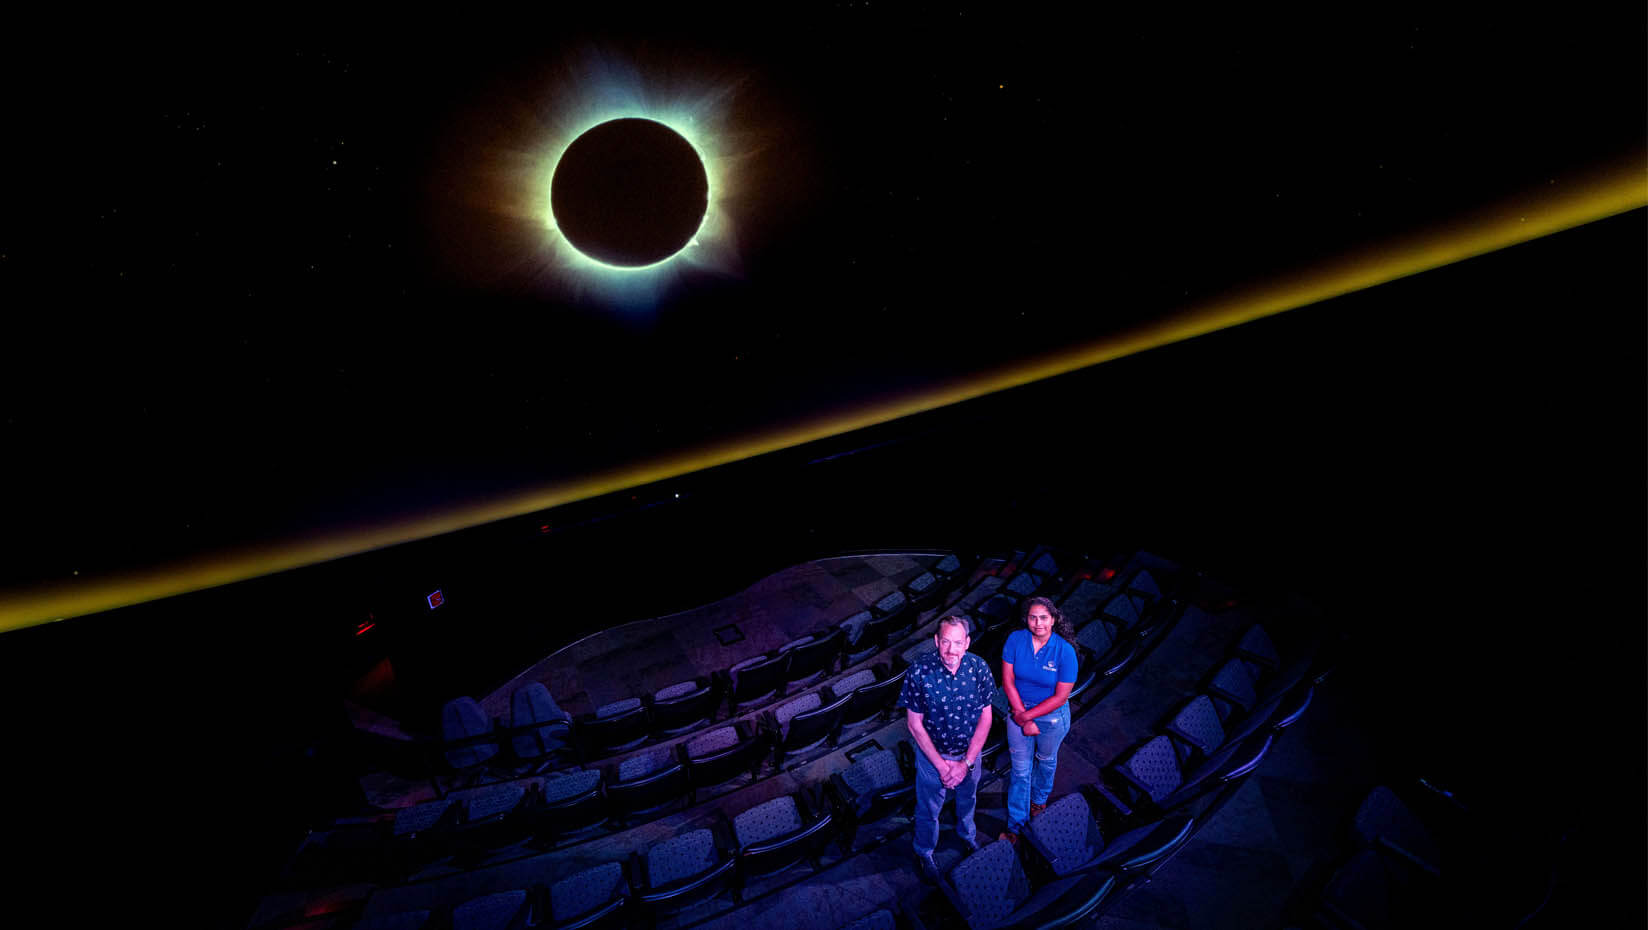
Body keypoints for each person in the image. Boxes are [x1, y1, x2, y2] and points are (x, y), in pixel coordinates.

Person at [896, 614, 996, 881]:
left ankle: (967, 836)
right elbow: (914, 724)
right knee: (928, 810)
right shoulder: (919, 671)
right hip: (933, 760)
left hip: (969, 757)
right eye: (946, 642)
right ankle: (925, 851)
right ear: (936, 641)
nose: (951, 650)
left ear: (967, 643)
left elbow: (986, 717)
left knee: (968, 801)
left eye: (958, 642)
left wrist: (966, 763)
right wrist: (942, 766)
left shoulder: (979, 668)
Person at [998, 596, 1078, 843]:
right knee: (1020, 771)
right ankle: (1016, 827)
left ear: (1053, 619)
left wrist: (1027, 717)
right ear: (1026, 619)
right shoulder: (1015, 639)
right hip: (1018, 711)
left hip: (1051, 718)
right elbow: (1008, 682)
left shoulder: (1065, 651)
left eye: (1043, 617)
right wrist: (1021, 716)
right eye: (1033, 617)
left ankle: (1039, 801)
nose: (1038, 622)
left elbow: (1061, 696)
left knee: (1045, 760)